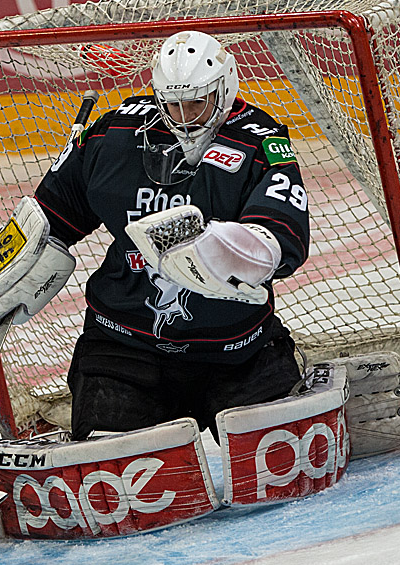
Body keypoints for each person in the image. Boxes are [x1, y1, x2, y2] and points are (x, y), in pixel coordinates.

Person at [31, 30, 312, 442]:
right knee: (116, 479)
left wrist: (229, 250)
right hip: (122, 343)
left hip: (235, 349)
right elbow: (51, 215)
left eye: (197, 102)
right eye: (173, 104)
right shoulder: (116, 133)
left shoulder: (259, 138)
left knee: (283, 462)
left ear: (224, 88)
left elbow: (281, 234)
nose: (185, 116)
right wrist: (11, 264)